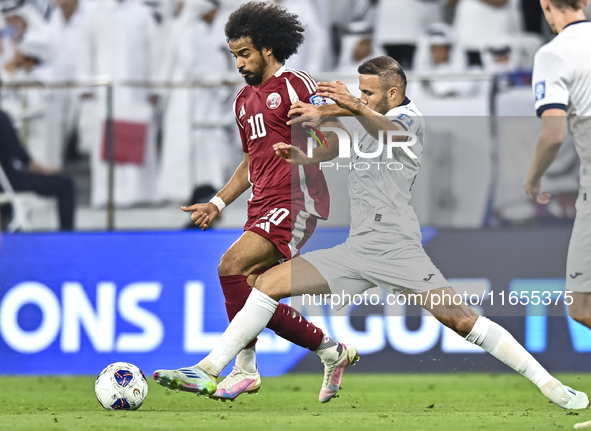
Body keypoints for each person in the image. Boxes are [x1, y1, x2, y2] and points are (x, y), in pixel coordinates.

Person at [172, 56, 589, 410]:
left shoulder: (409, 119)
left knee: (461, 321)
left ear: (392, 93)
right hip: (357, 248)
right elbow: (338, 139)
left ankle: (551, 386)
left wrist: (350, 105)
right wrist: (307, 146)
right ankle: (211, 368)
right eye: (360, 91)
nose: (362, 97)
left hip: (398, 249)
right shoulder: (366, 115)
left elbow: (388, 130)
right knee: (265, 284)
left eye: (369, 92)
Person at [153, 2, 356, 403]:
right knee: (255, 291)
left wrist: (306, 153)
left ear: (267, 48)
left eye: (244, 54)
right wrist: (217, 202)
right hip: (262, 204)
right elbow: (250, 161)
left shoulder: (295, 85)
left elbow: (331, 141)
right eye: (234, 56)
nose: (239, 64)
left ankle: (227, 369)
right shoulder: (243, 102)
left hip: (298, 200)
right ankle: (334, 352)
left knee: (230, 265)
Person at [524, 1, 591, 342]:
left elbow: (554, 133)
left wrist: (534, 179)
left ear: (545, 5)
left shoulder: (554, 54)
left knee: (581, 306)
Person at [0, 109, 75, 230]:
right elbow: (18, 153)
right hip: (8, 181)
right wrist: (42, 169)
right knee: (66, 185)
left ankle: (9, 224)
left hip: (6, 179)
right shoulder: (1, 118)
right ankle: (67, 237)